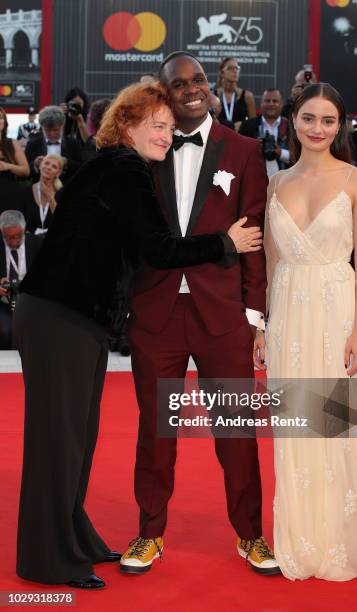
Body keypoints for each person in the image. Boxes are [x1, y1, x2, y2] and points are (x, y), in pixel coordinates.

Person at [13, 81, 262, 590]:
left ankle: (74, 536)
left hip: (78, 319)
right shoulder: (124, 167)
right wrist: (226, 242)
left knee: (78, 438)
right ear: (125, 124)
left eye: (170, 128)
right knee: (57, 442)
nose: (168, 136)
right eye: (157, 125)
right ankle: (46, 559)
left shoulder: (116, 167)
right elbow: (158, 248)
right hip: (60, 316)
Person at [121, 52, 279, 577]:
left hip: (223, 315)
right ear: (164, 93)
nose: (191, 89)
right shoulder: (146, 148)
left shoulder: (244, 149)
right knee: (156, 430)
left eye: (199, 80)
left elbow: (254, 240)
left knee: (235, 430)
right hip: (157, 312)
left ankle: (250, 535)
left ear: (210, 86)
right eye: (179, 84)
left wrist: (255, 317)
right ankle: (149, 533)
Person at [264, 82, 357, 580]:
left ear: (341, 124)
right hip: (287, 316)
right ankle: (307, 535)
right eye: (308, 118)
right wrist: (263, 326)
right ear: (294, 120)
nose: (317, 129)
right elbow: (271, 260)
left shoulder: (355, 181)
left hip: (336, 312)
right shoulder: (277, 183)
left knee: (348, 424)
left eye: (328, 120)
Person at [0, 210, 42, 349]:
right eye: (9, 238)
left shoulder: (36, 244)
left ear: (24, 231)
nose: (14, 241)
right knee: (5, 332)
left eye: (18, 236)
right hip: (4, 304)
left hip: (31, 303)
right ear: (2, 233)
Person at [25, 105, 83, 185]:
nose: (52, 134)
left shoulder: (73, 144)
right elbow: (25, 172)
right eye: (47, 130)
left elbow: (82, 169)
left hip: (67, 190)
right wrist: (35, 164)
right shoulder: (33, 144)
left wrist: (67, 163)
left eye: (56, 130)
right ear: (42, 127)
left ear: (62, 125)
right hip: (39, 190)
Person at [239, 88, 290, 177]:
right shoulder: (247, 125)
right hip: (253, 178)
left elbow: (300, 155)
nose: (271, 104)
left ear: (281, 105)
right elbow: (239, 152)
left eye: (275, 101)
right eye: (267, 101)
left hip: (285, 182)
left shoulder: (291, 127)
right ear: (261, 103)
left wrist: (281, 153)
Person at [19, 155, 63, 235]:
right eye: (46, 163)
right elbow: (21, 220)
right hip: (31, 240)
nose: (49, 167)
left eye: (54, 166)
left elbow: (62, 222)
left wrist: (50, 197)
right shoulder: (26, 191)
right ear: (40, 166)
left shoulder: (62, 193)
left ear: (58, 173)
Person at [0, 107, 30, 214]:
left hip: (10, 195)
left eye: (0, 117)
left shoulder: (12, 143)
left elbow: (26, 171)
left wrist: (7, 166)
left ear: (4, 123)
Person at [214, 56, 256, 131]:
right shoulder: (213, 95)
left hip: (239, 138)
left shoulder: (247, 96)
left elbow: (253, 123)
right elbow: (210, 121)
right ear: (222, 73)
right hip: (219, 139)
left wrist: (243, 124)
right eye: (230, 68)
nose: (235, 71)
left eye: (237, 68)